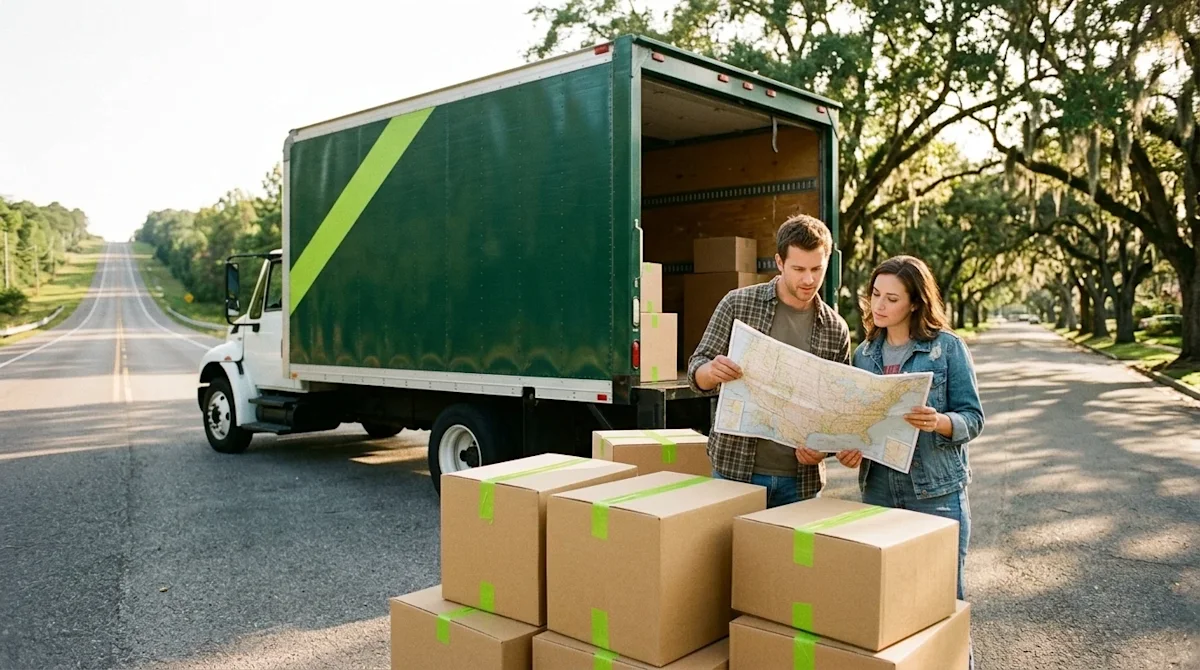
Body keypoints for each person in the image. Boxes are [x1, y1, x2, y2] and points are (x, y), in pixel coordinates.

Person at [836, 255, 983, 668]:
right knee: (892, 608)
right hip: (880, 491)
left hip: (936, 493)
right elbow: (863, 425)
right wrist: (852, 448)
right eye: (875, 296)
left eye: (891, 298)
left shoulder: (946, 348)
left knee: (943, 607)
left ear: (915, 303)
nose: (878, 306)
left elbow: (973, 418)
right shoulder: (864, 355)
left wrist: (939, 422)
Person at [688, 214, 851, 508]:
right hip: (735, 472)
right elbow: (697, 368)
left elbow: (837, 409)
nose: (808, 279)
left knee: (791, 557)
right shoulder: (737, 303)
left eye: (817, 269)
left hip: (800, 481)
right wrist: (711, 371)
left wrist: (822, 449)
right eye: (798, 268)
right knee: (730, 555)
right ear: (779, 262)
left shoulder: (835, 328)